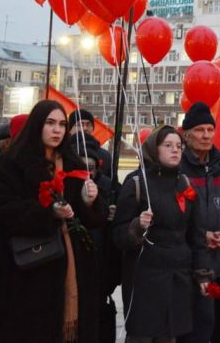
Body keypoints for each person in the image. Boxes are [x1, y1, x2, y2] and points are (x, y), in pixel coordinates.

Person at [0, 99, 108, 343]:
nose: (57, 130)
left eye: (62, 124)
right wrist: (47, 212)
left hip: (73, 265)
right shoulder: (13, 164)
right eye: (50, 123)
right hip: (30, 269)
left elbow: (93, 219)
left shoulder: (74, 164)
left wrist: (90, 201)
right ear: (37, 125)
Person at [114, 125, 213, 343]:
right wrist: (136, 226)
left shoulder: (184, 184)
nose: (175, 150)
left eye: (179, 146)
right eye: (168, 145)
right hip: (145, 281)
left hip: (178, 278)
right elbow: (119, 235)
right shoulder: (137, 183)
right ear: (154, 149)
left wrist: (203, 273)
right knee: (142, 335)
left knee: (170, 336)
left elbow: (197, 236)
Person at [176, 102, 220, 343]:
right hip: (181, 264)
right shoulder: (176, 168)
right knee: (181, 328)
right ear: (186, 134)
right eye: (200, 130)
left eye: (210, 130)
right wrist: (202, 236)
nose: (206, 135)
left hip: (214, 263)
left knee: (205, 326)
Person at [75, 135, 122, 343]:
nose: (86, 174)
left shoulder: (107, 187)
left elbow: (115, 242)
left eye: (90, 168)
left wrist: (112, 217)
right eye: (80, 167)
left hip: (98, 274)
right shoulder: (62, 188)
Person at [70, 109, 113, 180]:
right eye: (79, 124)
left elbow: (112, 185)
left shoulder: (105, 156)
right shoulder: (63, 152)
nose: (85, 128)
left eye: (88, 125)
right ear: (70, 129)